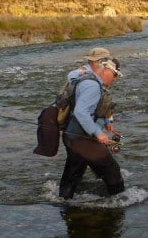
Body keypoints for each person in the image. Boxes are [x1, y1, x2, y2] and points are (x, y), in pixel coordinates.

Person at [59, 47, 125, 199]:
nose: (115, 79)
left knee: (73, 173)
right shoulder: (92, 85)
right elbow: (81, 112)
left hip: (72, 136)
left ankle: (63, 203)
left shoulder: (90, 79)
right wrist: (98, 133)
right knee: (112, 171)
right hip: (81, 139)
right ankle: (120, 202)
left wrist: (107, 120)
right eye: (114, 75)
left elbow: (95, 107)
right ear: (105, 69)